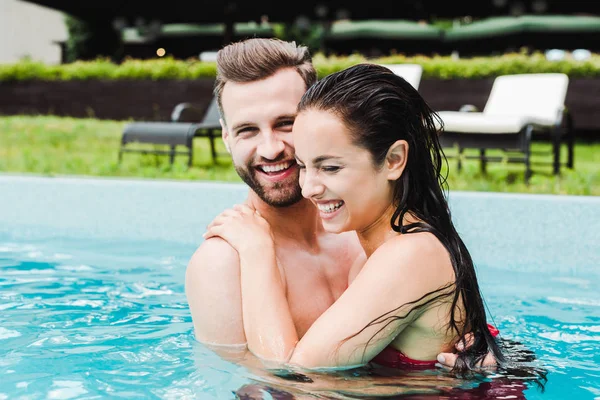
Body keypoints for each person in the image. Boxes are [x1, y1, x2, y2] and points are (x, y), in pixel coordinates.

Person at [185, 38, 495, 375]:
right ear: (226, 137)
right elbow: (246, 385)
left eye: (285, 123)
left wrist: (496, 361)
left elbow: (295, 374)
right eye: (247, 130)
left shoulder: (362, 228)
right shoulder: (223, 264)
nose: (271, 148)